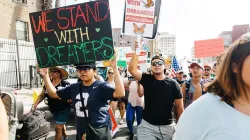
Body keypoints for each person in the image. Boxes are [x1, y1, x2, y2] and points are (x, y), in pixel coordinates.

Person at [173, 33, 250, 140]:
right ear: (234, 66)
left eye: (197, 68)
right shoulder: (202, 110)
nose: (195, 70)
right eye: (193, 68)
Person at [38, 56, 125, 140]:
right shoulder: (74, 87)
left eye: (86, 68)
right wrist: (45, 76)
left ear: (94, 71)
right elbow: (53, 94)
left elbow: (120, 93)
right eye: (79, 69)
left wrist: (114, 68)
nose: (82, 72)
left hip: (99, 132)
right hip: (81, 133)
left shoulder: (102, 86)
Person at [128, 41, 184, 140]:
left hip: (168, 128)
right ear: (151, 66)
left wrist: (181, 127)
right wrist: (136, 52)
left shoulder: (173, 84)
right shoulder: (146, 79)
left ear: (165, 66)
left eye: (159, 63)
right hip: (147, 127)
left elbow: (179, 107)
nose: (157, 65)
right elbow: (132, 69)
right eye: (154, 63)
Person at [34, 66, 70, 140]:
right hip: (53, 109)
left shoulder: (65, 84)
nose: (52, 73)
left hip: (63, 109)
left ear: (60, 74)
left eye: (55, 72)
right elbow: (42, 95)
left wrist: (59, 97)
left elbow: (69, 97)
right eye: (51, 71)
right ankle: (66, 137)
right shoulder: (48, 84)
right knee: (60, 126)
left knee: (58, 128)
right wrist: (35, 104)